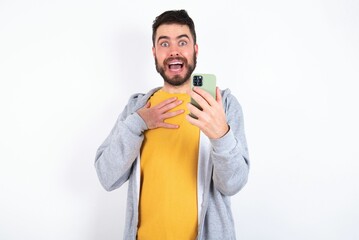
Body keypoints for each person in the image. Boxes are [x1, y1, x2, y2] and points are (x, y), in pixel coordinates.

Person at [95, 9, 250, 240]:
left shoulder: (221, 105)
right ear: (154, 52)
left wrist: (221, 135)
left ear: (195, 50)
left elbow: (233, 184)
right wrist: (138, 123)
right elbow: (107, 177)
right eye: (164, 43)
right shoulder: (137, 107)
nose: (174, 51)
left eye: (182, 42)